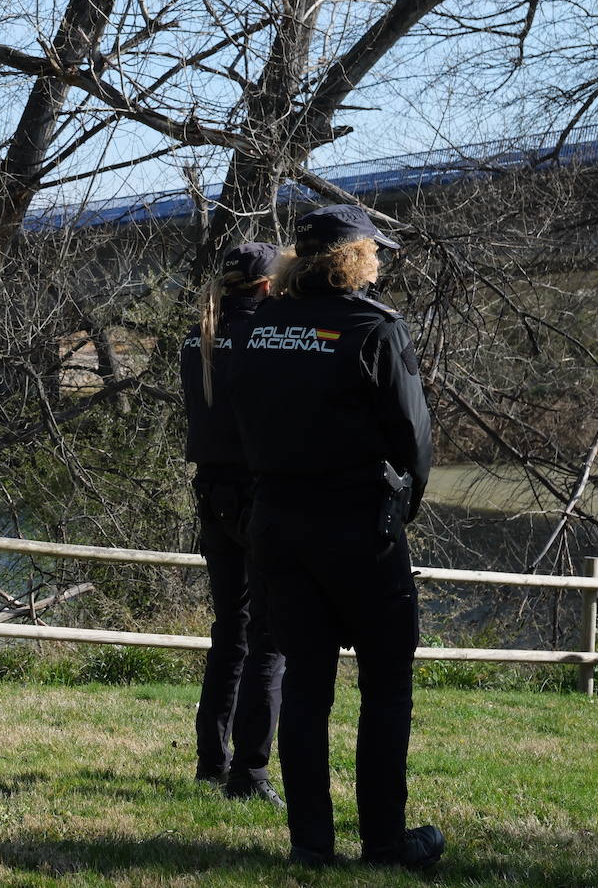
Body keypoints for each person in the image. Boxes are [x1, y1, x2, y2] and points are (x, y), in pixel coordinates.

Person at [229, 204, 441, 869]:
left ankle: (310, 847)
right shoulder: (376, 329)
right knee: (385, 687)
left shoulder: (259, 327)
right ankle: (383, 844)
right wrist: (401, 505)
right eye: (374, 251)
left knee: (305, 689)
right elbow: (416, 440)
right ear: (355, 258)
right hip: (357, 527)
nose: (379, 260)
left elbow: (242, 422)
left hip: (277, 525)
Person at [179, 242, 286, 806]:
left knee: (231, 632)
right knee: (269, 636)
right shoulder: (272, 343)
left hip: (213, 499)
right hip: (261, 497)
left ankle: (210, 760)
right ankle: (250, 773)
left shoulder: (197, 345)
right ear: (269, 287)